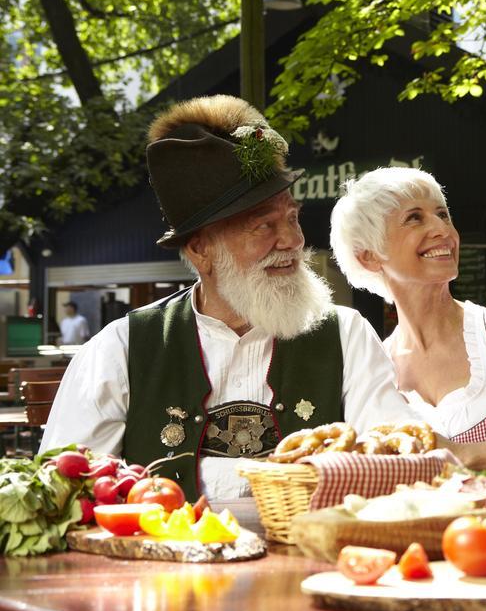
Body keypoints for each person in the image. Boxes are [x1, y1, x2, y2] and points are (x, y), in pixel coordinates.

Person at [42, 96, 415, 503]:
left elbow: (396, 462)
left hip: (313, 561)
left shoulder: (347, 335)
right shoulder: (122, 349)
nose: (292, 241)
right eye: (263, 226)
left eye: (292, 217)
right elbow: (65, 492)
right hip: (161, 563)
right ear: (202, 250)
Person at [330, 167, 486, 470]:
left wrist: (465, 455)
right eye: (414, 218)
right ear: (369, 256)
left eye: (443, 215)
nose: (443, 230)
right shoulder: (375, 369)